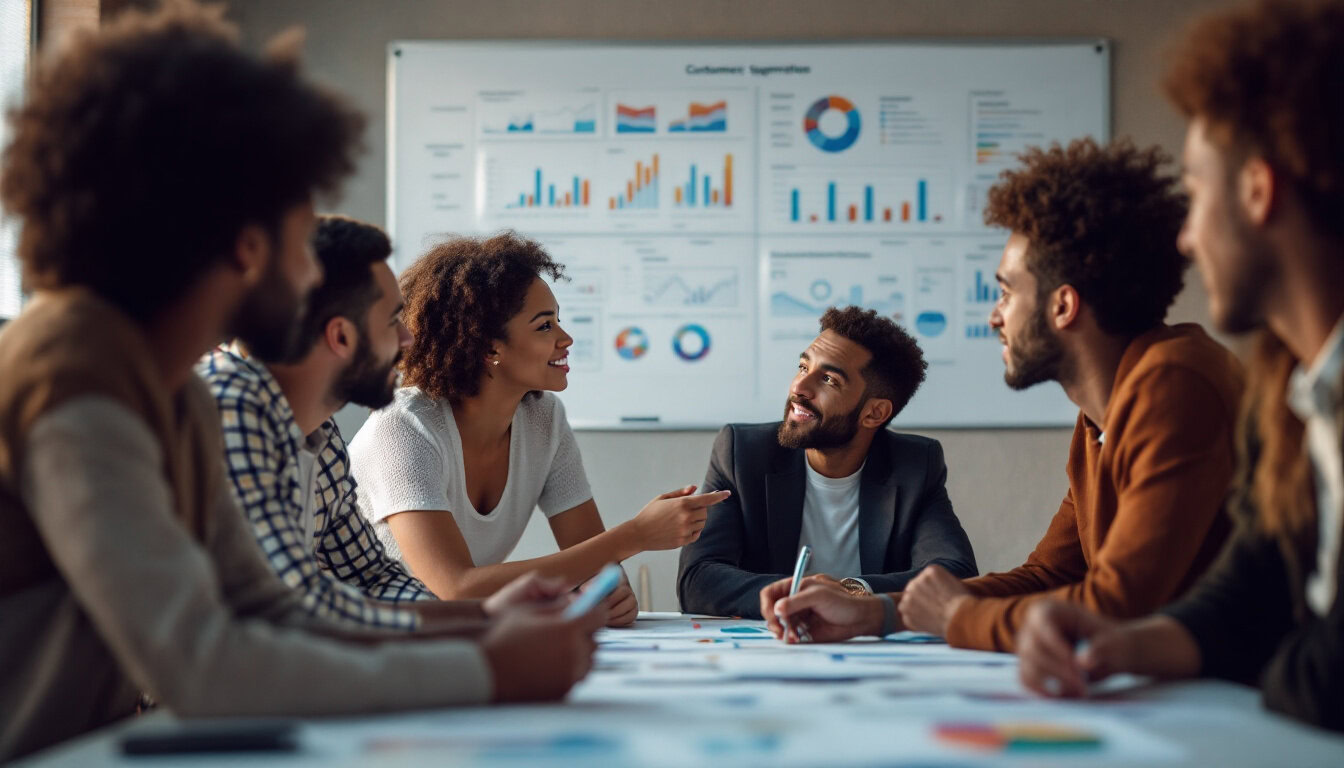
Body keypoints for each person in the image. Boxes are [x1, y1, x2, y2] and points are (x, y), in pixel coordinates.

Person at [0, 5, 599, 760]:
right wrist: (484, 668)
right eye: (301, 227)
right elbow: (202, 662)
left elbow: (271, 608)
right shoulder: (74, 375)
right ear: (248, 243)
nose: (316, 268)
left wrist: (486, 626)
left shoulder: (170, 390)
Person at [761, 137, 1244, 651]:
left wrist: (953, 618)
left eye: (1008, 292)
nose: (995, 315)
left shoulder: (1174, 383)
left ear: (1063, 307)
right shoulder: (1102, 417)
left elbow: (1118, 605)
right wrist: (878, 612)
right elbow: (1048, 575)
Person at [1015, 0, 1344, 732]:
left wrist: (1262, 657)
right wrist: (1126, 645)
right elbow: (1248, 596)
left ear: (1259, 191)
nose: (1188, 242)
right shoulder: (1288, 392)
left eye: (1196, 193)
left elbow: (1320, 667)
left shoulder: (1181, 378)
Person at [349, 232, 730, 623]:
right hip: (362, 641)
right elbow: (455, 588)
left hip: (454, 636)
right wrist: (633, 536)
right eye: (544, 326)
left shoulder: (544, 419)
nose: (566, 339)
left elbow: (595, 561)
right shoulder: (404, 427)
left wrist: (608, 593)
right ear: (489, 348)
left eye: (558, 321)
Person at [202, 214, 519, 631]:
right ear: (342, 337)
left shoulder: (321, 433)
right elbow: (286, 604)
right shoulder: (230, 405)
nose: (408, 340)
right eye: (392, 321)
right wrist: (478, 638)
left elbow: (370, 577)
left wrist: (484, 620)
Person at [677, 306, 977, 618]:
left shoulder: (914, 465)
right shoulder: (742, 453)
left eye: (829, 379)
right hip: (770, 646)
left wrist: (851, 591)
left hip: (868, 647)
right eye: (803, 367)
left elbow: (957, 574)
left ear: (874, 413)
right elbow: (697, 580)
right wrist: (803, 596)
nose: (799, 388)